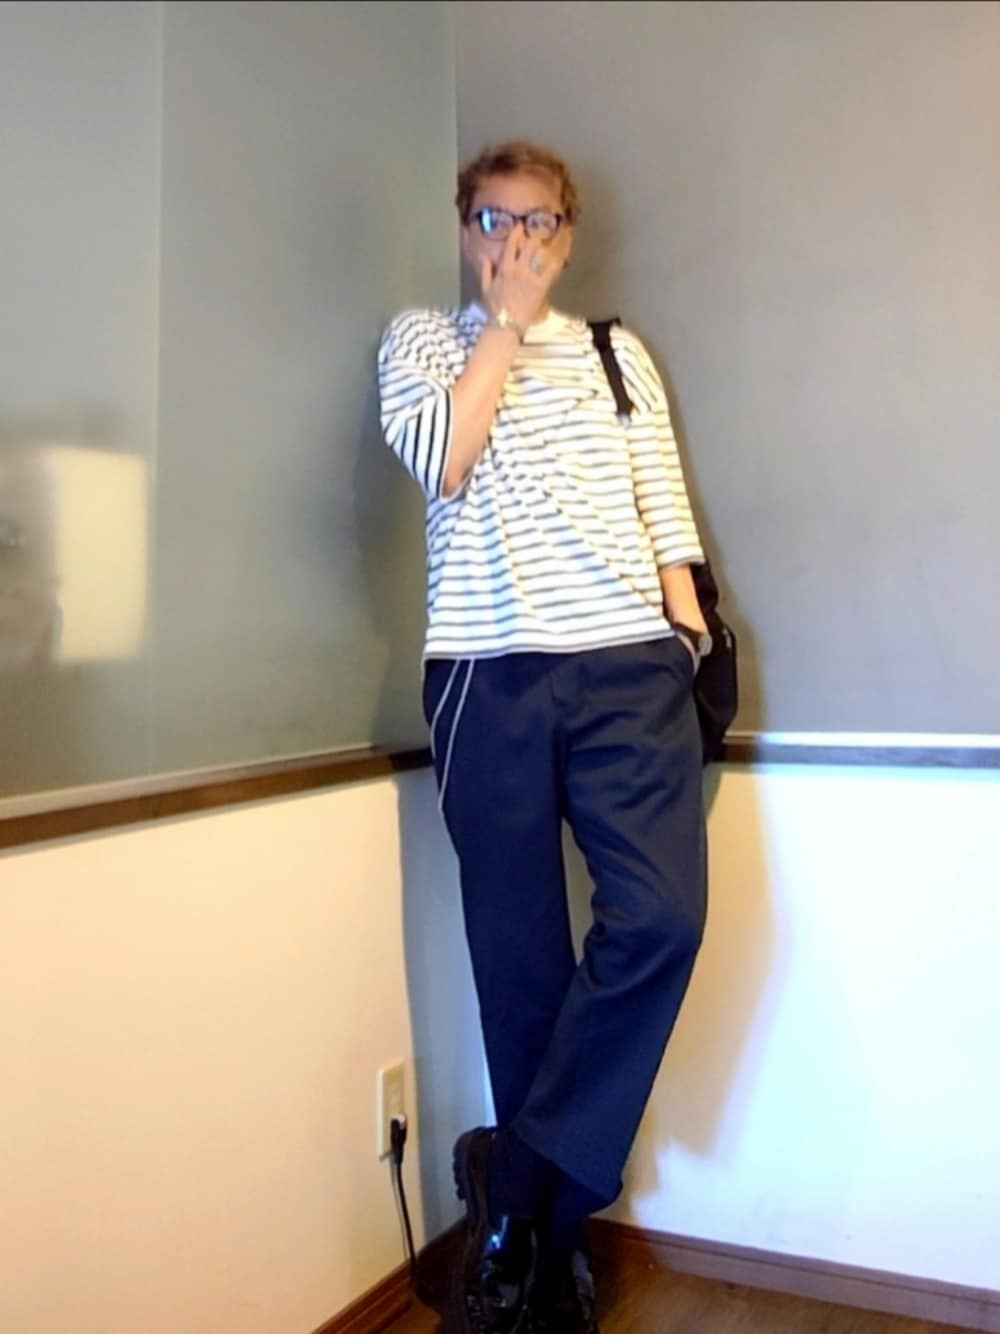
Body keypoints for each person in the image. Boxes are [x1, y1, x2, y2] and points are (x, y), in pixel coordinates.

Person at [378, 141, 711, 1334]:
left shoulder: (619, 353)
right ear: (464, 228)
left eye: (537, 222)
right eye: (492, 218)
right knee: (519, 961)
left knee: (659, 918)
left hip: (629, 670)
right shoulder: (422, 341)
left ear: (566, 235)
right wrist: (504, 329)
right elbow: (443, 458)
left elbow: (663, 506)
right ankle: (544, 1242)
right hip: (488, 675)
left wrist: (684, 629)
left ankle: (510, 1182)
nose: (515, 241)